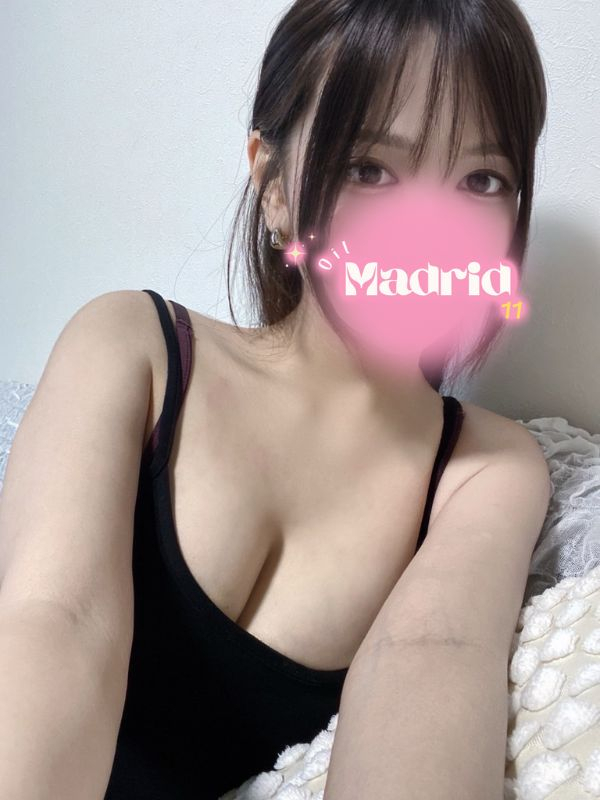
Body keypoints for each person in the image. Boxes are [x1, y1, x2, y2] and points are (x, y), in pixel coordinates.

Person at [0, 1, 552, 798]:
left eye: (481, 180)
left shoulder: (488, 467)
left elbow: (437, 657)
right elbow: (55, 622)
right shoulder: (133, 346)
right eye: (369, 168)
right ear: (273, 185)